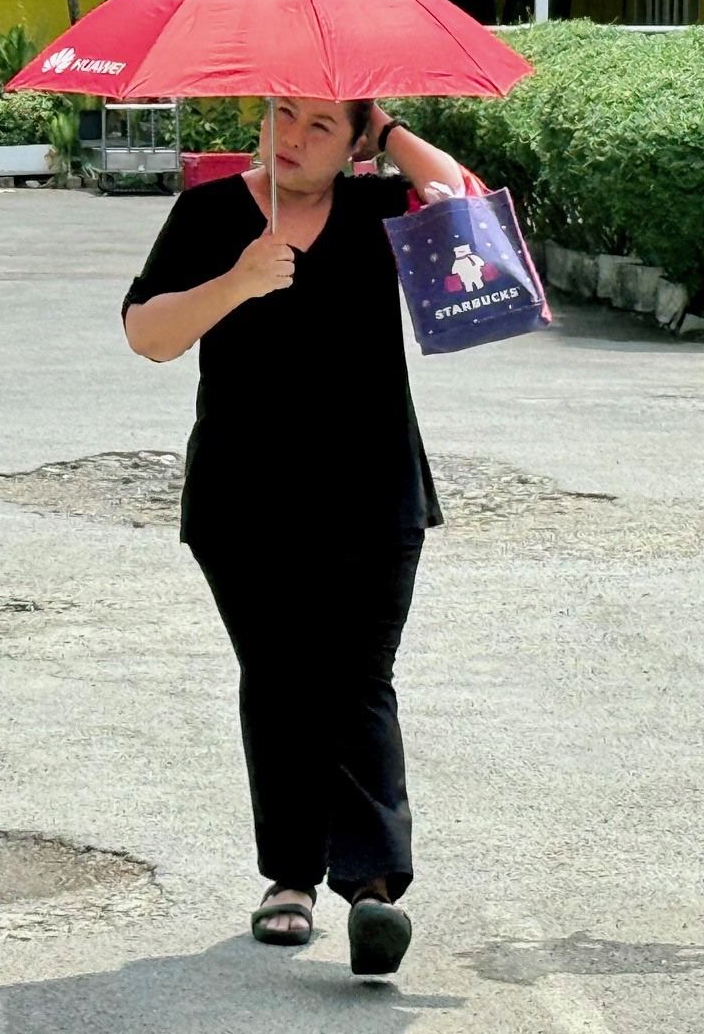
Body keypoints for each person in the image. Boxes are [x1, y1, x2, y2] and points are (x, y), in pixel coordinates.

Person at [122, 96, 465, 978]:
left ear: (355, 146)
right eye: (283, 114)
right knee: (278, 680)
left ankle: (374, 891)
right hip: (247, 500)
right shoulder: (211, 213)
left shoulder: (380, 208)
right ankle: (290, 881)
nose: (292, 137)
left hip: (373, 490)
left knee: (357, 679)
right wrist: (237, 281)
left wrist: (389, 130)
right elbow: (146, 334)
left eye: (321, 125)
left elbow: (464, 204)